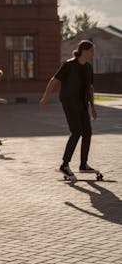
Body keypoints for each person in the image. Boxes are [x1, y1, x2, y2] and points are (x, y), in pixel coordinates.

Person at [40, 40, 97, 178]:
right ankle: (64, 164)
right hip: (69, 103)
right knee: (76, 132)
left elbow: (90, 88)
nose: (93, 53)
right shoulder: (69, 65)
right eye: (91, 51)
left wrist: (93, 107)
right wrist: (45, 98)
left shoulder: (89, 67)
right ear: (83, 51)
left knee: (87, 133)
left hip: (83, 104)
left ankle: (83, 165)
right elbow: (54, 80)